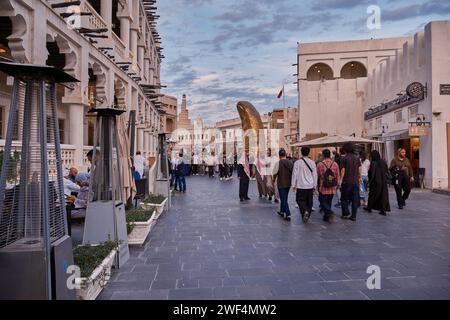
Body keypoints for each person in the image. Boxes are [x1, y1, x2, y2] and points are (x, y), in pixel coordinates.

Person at [291, 147, 317, 223]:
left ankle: (305, 212)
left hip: (300, 185)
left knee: (299, 200)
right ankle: (307, 214)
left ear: (301, 153)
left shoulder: (297, 163)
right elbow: (315, 175)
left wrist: (293, 185)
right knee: (309, 202)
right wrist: (315, 185)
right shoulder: (312, 162)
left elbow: (294, 174)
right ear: (308, 153)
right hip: (310, 185)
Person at [317, 149, 341, 223]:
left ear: (323, 155)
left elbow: (318, 175)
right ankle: (327, 217)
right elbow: (338, 175)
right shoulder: (335, 164)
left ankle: (329, 212)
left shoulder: (320, 164)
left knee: (322, 201)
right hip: (332, 185)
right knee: (329, 201)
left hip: (323, 185)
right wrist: (338, 184)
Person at [339, 143, 361, 221]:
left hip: (346, 181)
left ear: (345, 149)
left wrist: (340, 180)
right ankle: (354, 216)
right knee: (354, 199)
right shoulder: (357, 158)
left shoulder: (344, 158)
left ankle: (345, 213)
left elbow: (343, 170)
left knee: (344, 198)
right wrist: (360, 177)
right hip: (355, 182)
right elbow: (359, 169)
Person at [364, 150, 391, 216]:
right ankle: (383, 210)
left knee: (372, 195)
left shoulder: (373, 162)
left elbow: (371, 173)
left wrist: (369, 181)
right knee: (383, 196)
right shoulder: (383, 162)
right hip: (383, 182)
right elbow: (387, 171)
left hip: (376, 182)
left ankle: (369, 208)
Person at [274, 149, 293, 221]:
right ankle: (282, 211)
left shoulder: (278, 163)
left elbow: (275, 173)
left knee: (283, 198)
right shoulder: (290, 162)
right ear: (285, 154)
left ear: (279, 155)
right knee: (285, 197)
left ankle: (288, 214)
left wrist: (273, 180)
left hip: (281, 183)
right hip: (288, 183)